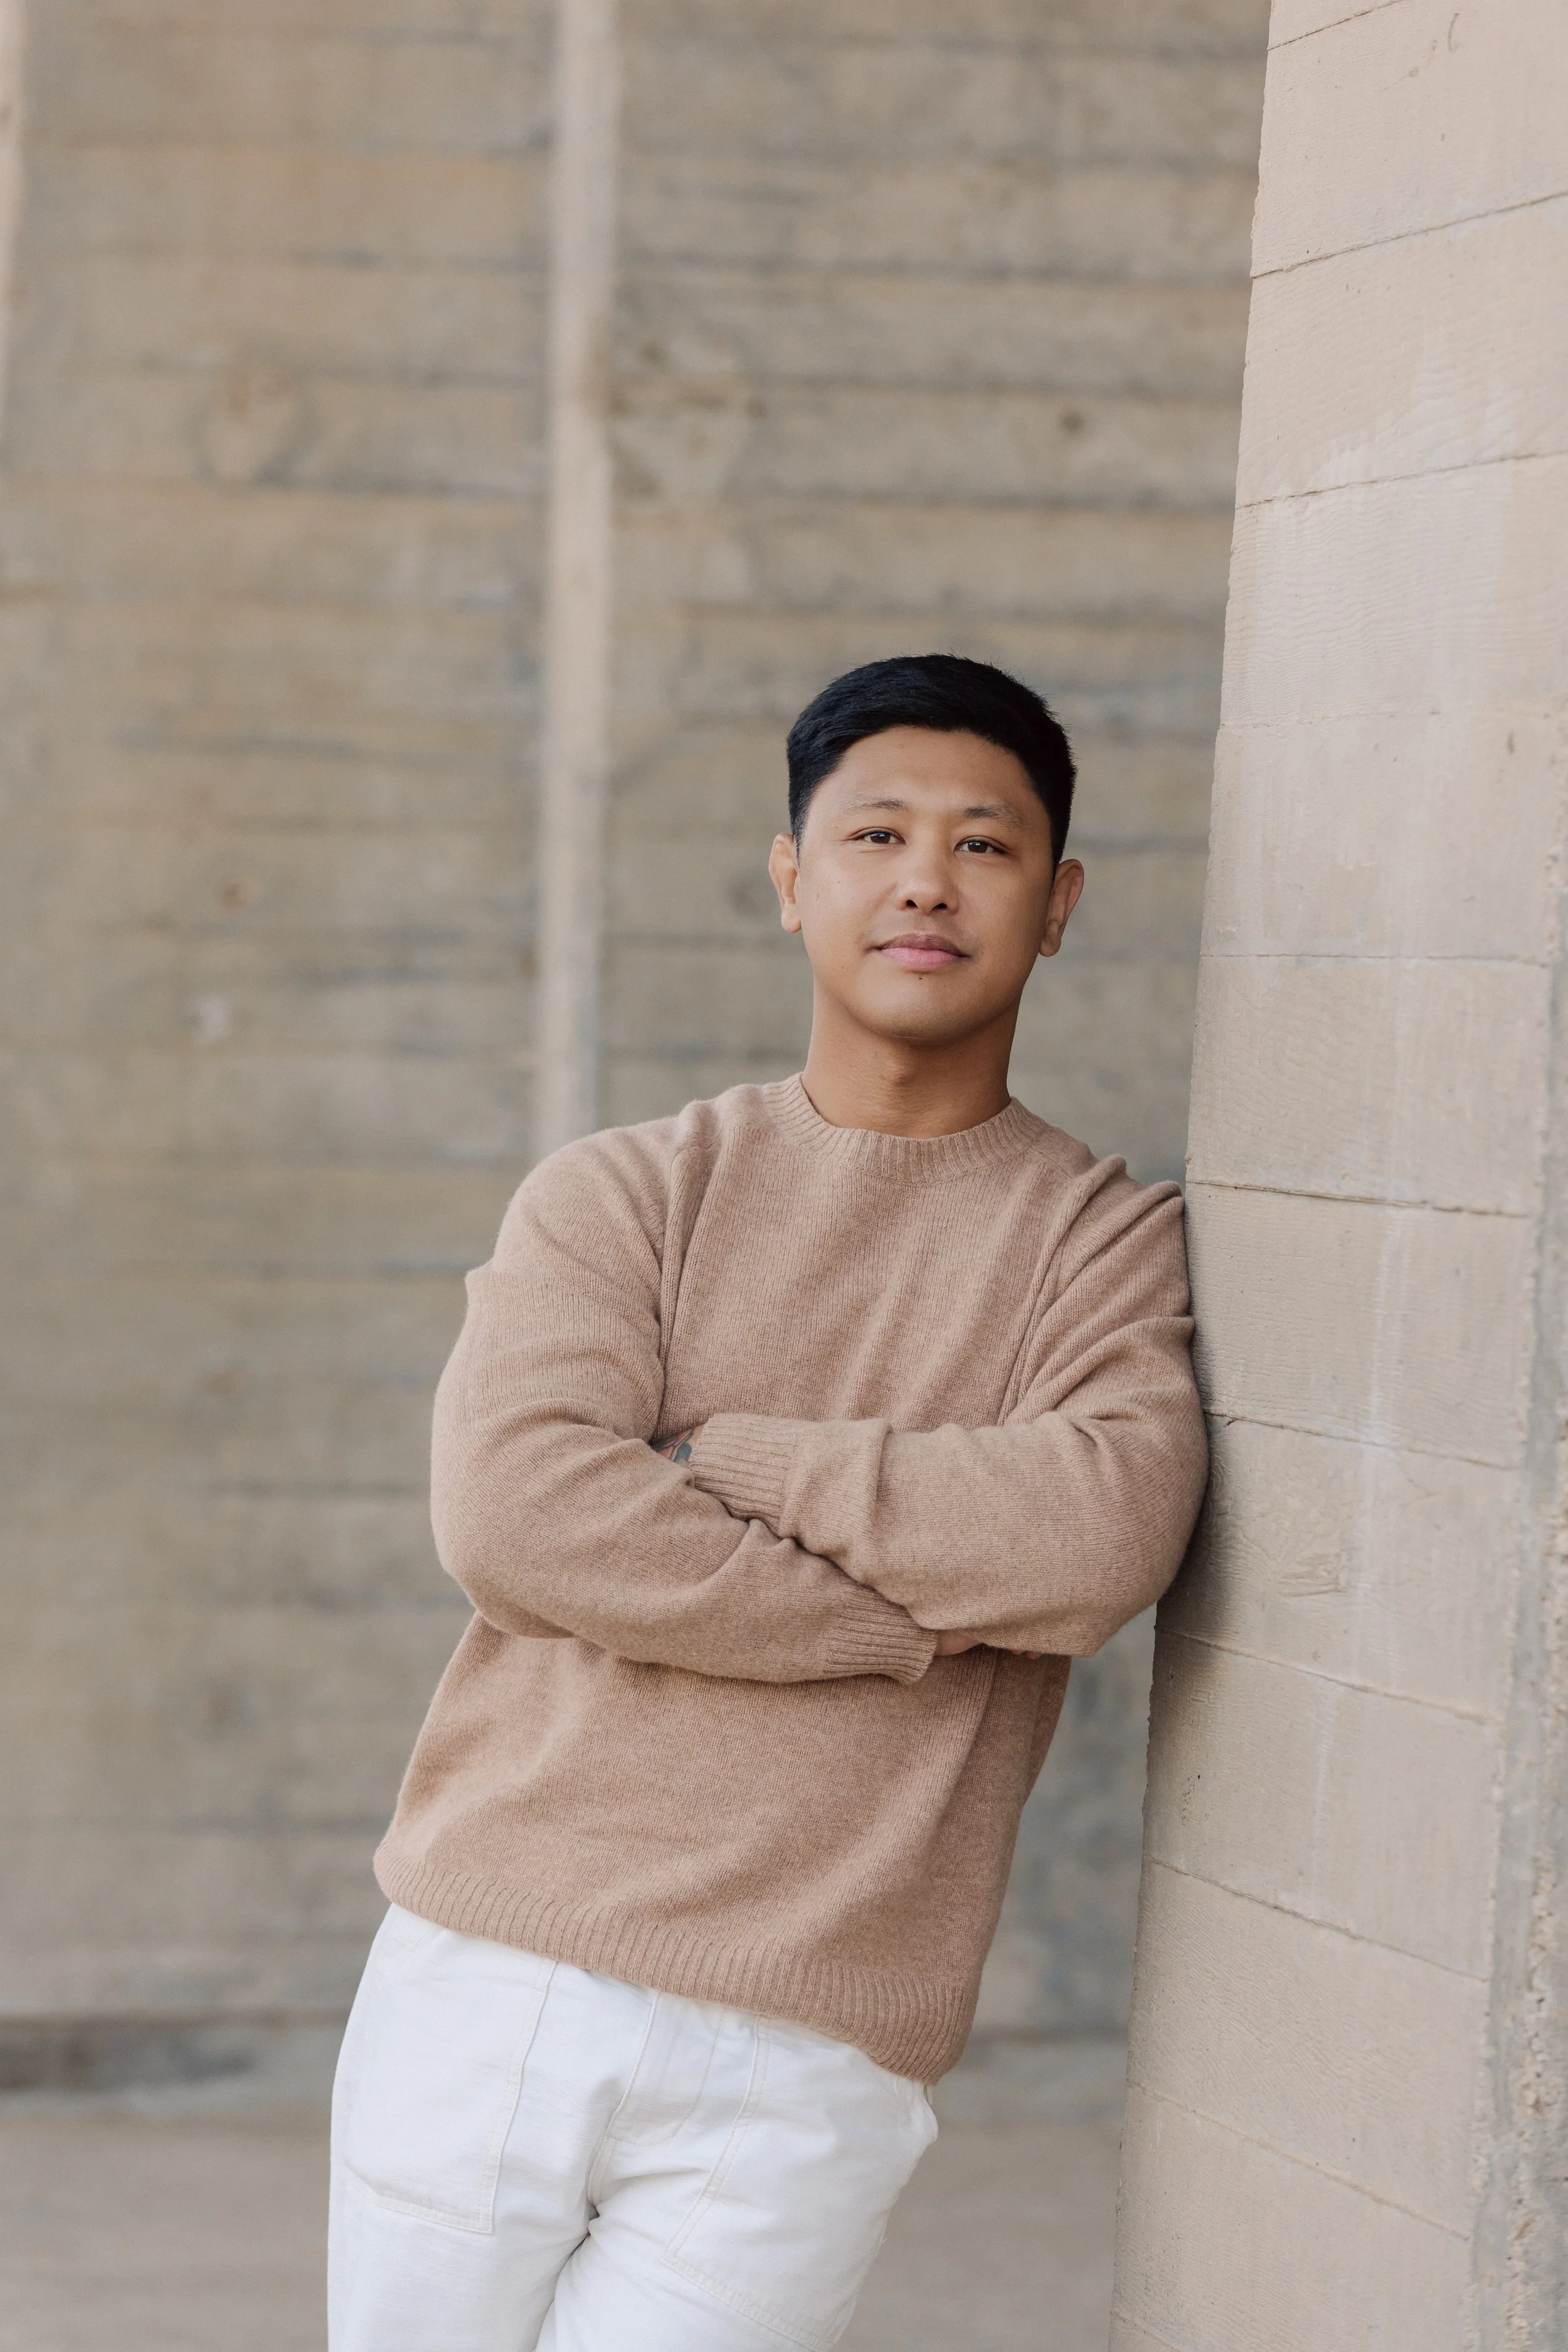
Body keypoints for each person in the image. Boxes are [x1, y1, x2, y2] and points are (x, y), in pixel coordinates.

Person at [328, 652, 1208, 2352]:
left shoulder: (1103, 1243)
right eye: (875, 832)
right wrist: (906, 1620)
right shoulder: (624, 1194)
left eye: (985, 844)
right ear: (793, 877)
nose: (925, 881)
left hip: (817, 2034)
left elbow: (1097, 1535)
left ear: (1058, 902)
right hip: (499, 1967)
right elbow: (516, 1514)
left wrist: (722, 1448)